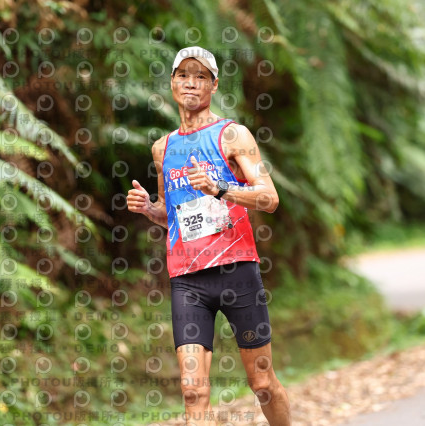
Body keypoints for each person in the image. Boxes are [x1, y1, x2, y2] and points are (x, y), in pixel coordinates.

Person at [127, 46, 291, 426]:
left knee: (262, 383)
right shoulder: (162, 148)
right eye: (183, 75)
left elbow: (269, 197)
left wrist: (221, 189)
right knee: (193, 391)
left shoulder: (232, 135)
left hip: (237, 270)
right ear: (172, 82)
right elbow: (171, 215)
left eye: (200, 76)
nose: (191, 83)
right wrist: (150, 209)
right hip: (188, 280)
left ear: (214, 85)